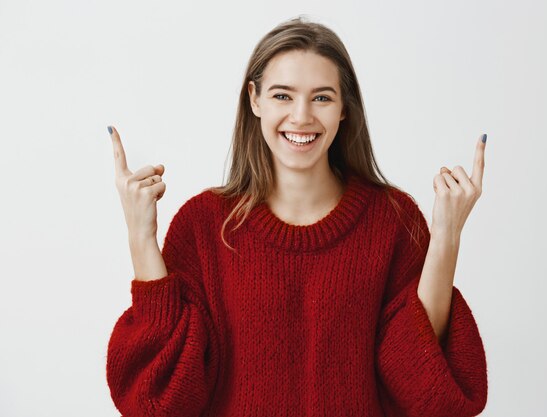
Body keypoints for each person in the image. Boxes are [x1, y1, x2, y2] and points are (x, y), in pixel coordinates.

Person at [105, 16, 489, 417]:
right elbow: (160, 401)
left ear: (344, 108)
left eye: (322, 97)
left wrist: (446, 235)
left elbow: (424, 391)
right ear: (254, 99)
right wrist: (141, 237)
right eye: (282, 96)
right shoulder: (204, 225)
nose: (302, 116)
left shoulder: (392, 220)